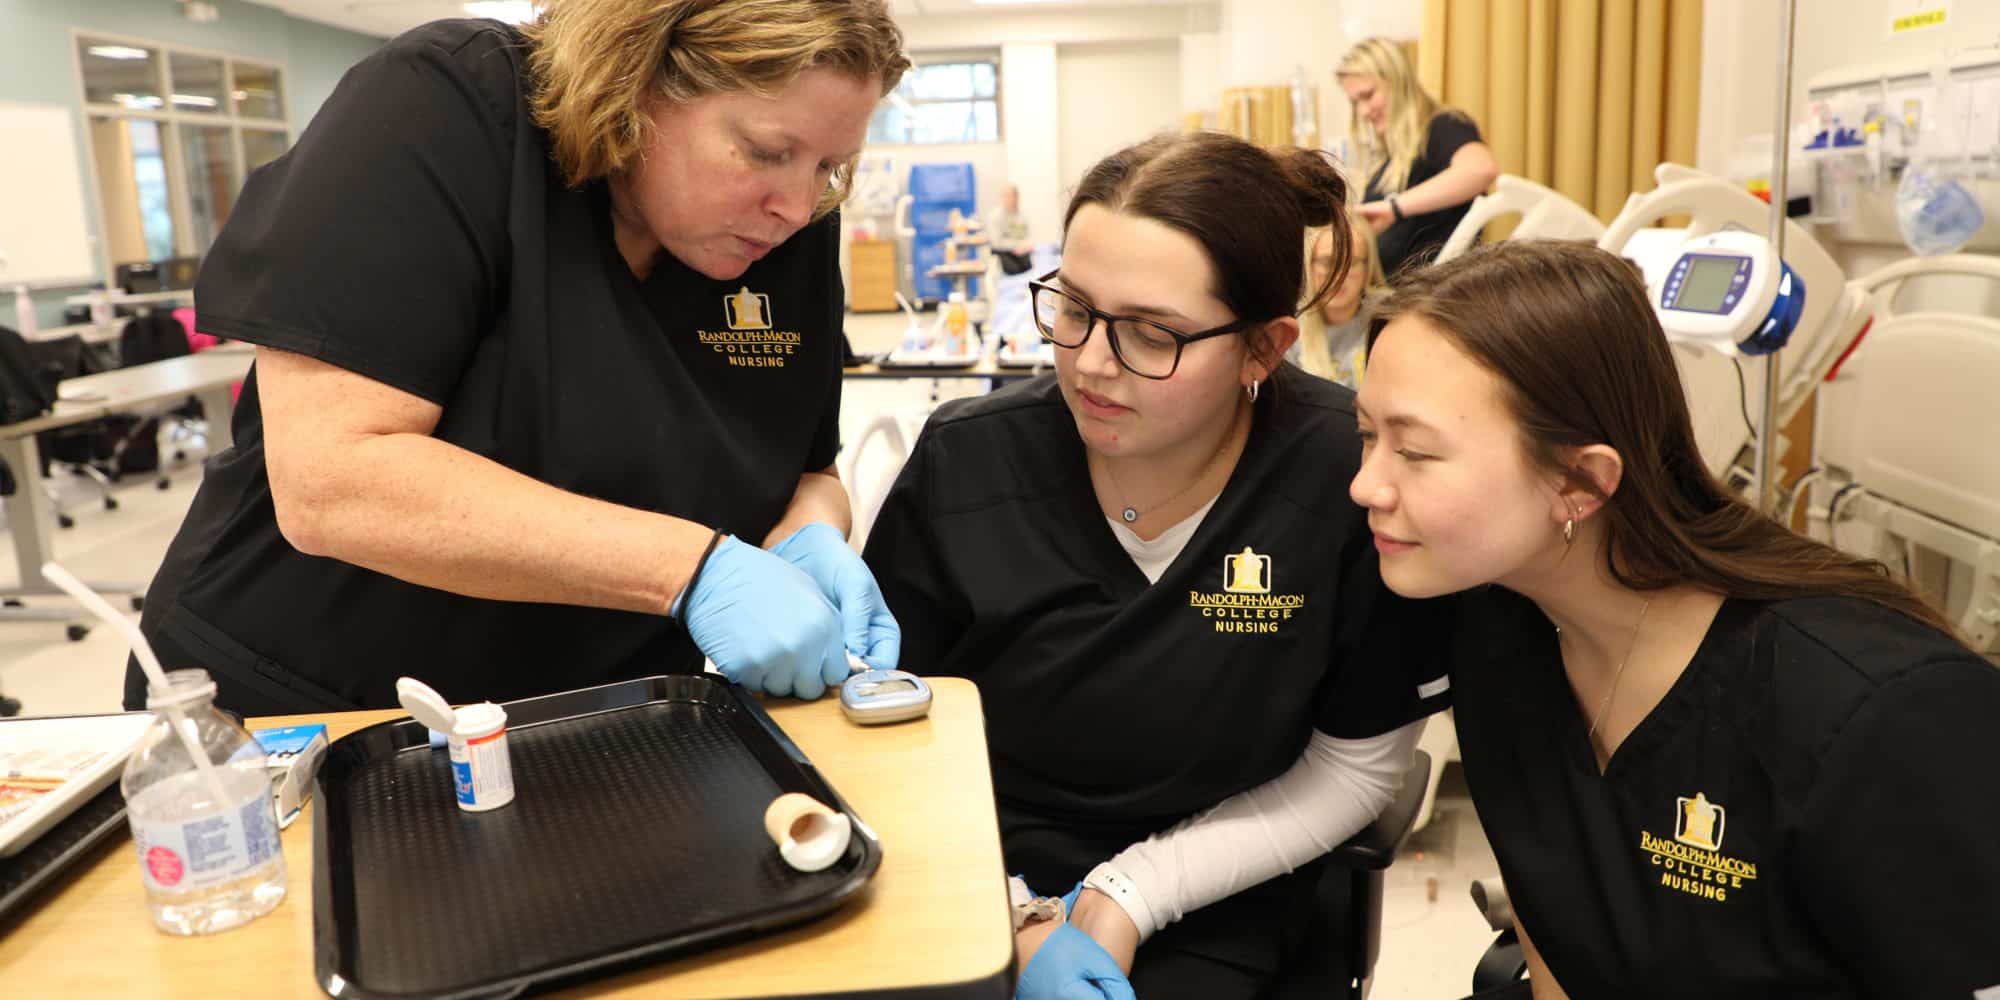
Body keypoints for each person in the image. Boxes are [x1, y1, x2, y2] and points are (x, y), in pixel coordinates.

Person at [124, 0, 912, 715]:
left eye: (828, 167)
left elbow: (807, 469)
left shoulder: (785, 226)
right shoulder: (451, 104)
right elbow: (333, 480)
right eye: (766, 151)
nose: (797, 206)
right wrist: (693, 570)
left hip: (600, 714)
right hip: (308, 698)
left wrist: (809, 539)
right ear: (637, 84)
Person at [863, 131, 1452, 999]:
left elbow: (1354, 767)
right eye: (1073, 309)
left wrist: (1132, 894)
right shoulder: (969, 463)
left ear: (1264, 348)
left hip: (1228, 878)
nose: (1092, 363)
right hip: (975, 868)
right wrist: (1015, 913)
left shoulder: (1349, 479)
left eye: (1151, 334)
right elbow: (881, 734)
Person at [1349, 240, 2000, 999]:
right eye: (1367, 435)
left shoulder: (1871, 714)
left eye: (1414, 451)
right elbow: (1554, 917)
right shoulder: (1495, 630)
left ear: (1582, 482)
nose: (1366, 486)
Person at [1336, 37, 1498, 277]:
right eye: (1355, 103)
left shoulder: (1443, 127)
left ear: (1398, 81)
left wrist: (1393, 208)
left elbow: (1480, 170)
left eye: (1368, 96)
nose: (1363, 112)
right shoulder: (1390, 160)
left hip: (1437, 290)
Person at [1292, 209, 1388, 388]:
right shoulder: (1291, 330)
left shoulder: (1390, 316)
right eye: (1328, 262)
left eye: (1351, 263)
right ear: (1309, 265)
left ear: (1368, 267)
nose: (1339, 276)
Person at [988, 183, 1035, 275]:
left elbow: (1029, 235)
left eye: (1013, 196)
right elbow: (996, 241)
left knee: (1028, 267)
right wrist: (1015, 246)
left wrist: (1026, 246)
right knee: (1014, 269)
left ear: (1017, 197)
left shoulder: (1023, 215)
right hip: (1002, 250)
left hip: (1021, 249)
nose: (1010, 199)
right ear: (1002, 198)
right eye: (1007, 196)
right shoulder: (995, 216)